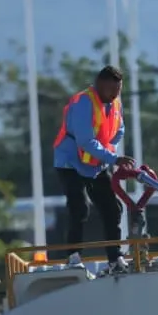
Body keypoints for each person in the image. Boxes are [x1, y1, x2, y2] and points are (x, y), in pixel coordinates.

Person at [52, 65, 138, 270]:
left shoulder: (114, 103)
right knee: (79, 207)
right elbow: (85, 141)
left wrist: (109, 151)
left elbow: (119, 130)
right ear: (100, 84)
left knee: (112, 209)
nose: (115, 95)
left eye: (118, 91)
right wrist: (113, 158)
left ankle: (115, 258)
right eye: (111, 90)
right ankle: (74, 256)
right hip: (70, 162)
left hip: (95, 163)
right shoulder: (83, 103)